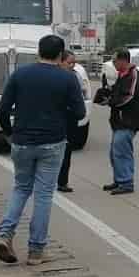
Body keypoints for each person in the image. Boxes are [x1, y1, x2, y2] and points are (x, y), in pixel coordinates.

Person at [0, 34, 85, 265]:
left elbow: (3, 109)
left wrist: (9, 133)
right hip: (52, 142)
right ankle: (36, 251)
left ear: (38, 52)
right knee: (43, 195)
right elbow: (80, 113)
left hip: (22, 141)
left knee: (21, 188)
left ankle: (5, 233)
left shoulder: (20, 75)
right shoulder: (67, 79)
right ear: (60, 54)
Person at [93, 47, 139, 195]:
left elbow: (129, 97)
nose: (113, 63)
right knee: (114, 152)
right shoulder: (122, 74)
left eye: (115, 61)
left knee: (122, 152)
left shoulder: (134, 75)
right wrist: (107, 94)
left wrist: (111, 102)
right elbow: (117, 93)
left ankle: (126, 182)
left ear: (123, 60)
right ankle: (119, 180)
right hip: (118, 121)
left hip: (128, 121)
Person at [55, 48, 90, 192]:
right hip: (55, 119)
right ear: (60, 62)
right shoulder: (53, 76)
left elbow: (82, 95)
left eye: (74, 63)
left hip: (70, 120)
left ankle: (62, 182)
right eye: (69, 63)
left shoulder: (75, 76)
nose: (72, 66)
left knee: (67, 152)